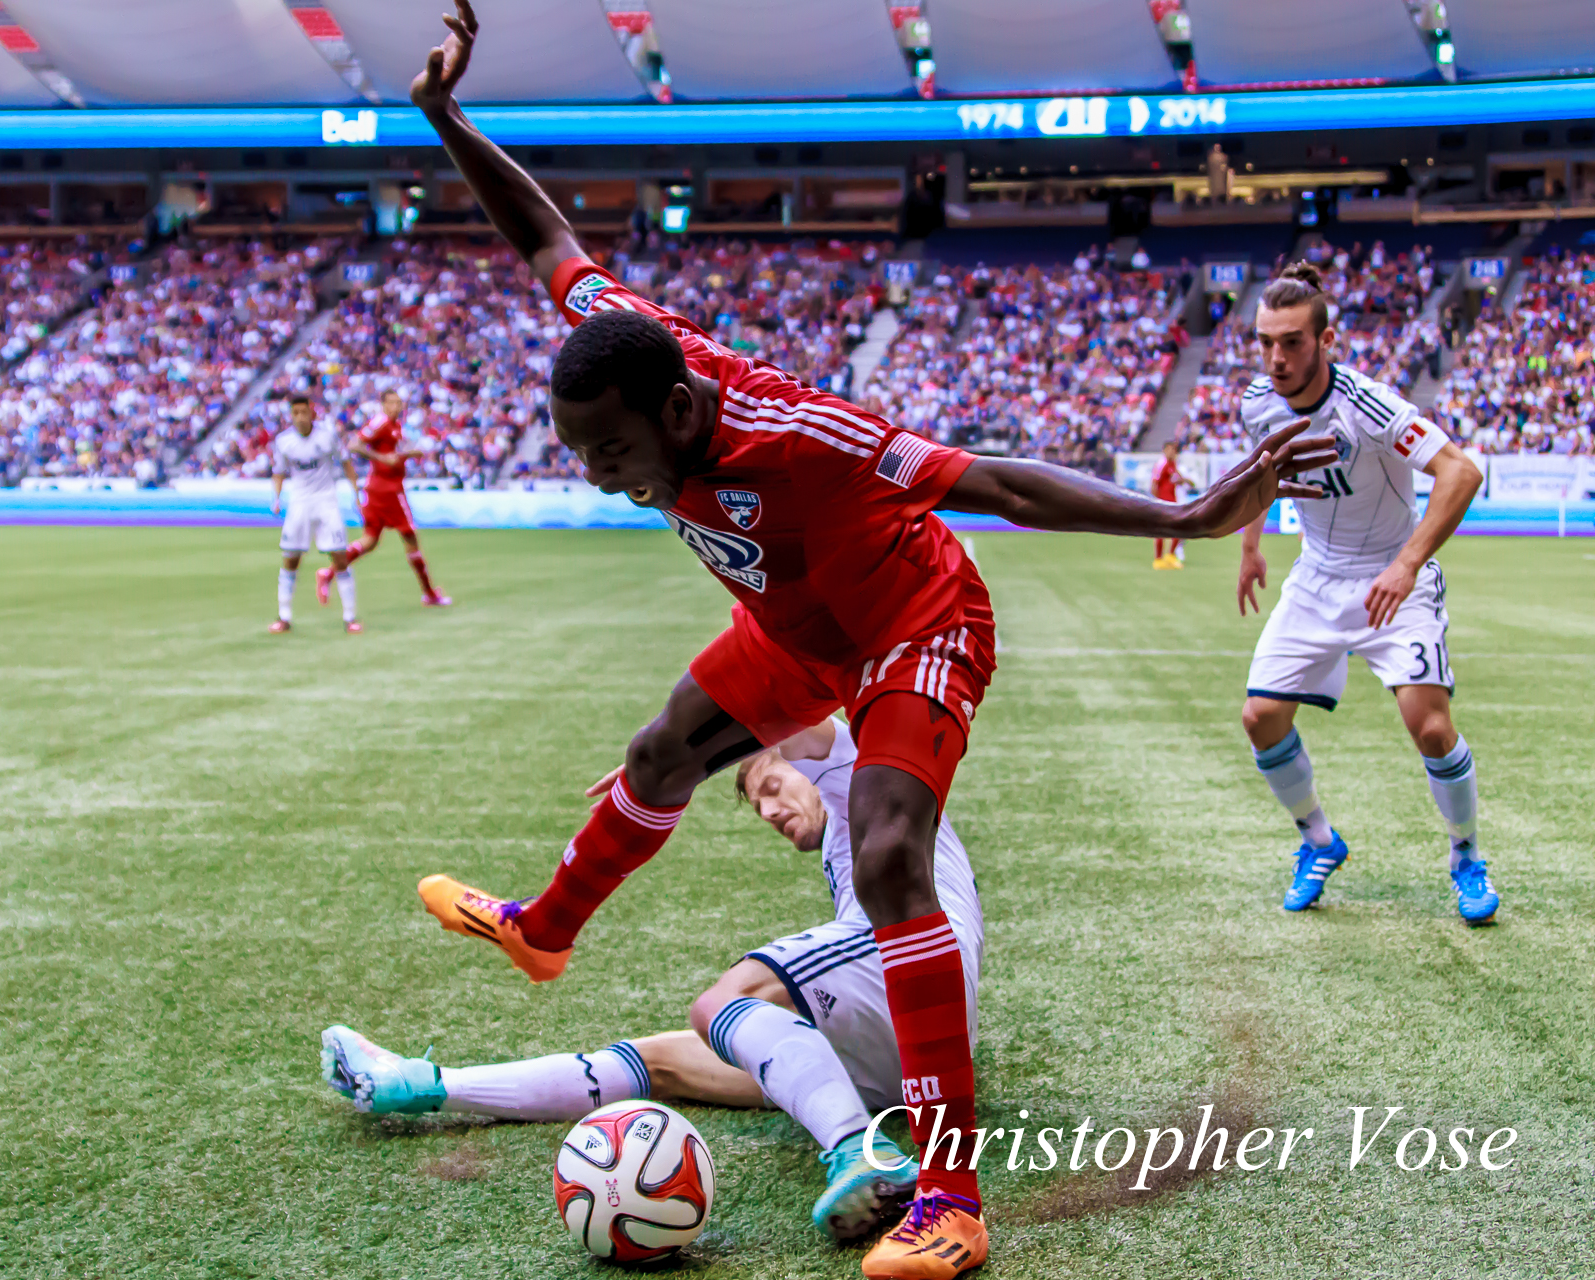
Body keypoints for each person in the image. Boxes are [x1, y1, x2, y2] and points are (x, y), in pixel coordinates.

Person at [404, 7, 1334, 1276]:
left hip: (916, 622)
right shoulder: (627, 350)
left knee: (891, 848)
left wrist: (1186, 509)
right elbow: (549, 240)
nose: (602, 474)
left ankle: (948, 1197)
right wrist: (446, 119)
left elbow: (996, 482)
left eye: (612, 451)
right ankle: (547, 928)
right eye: (580, 454)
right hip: (797, 624)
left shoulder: (803, 436)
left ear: (677, 412)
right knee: (659, 750)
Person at [326, 717, 981, 1242]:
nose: (772, 812)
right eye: (758, 808)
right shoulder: (857, 832)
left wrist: (675, 763)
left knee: (726, 1003)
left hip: (912, 953)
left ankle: (858, 1155)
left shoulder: (850, 760)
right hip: (902, 1051)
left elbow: (784, 717)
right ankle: (419, 1086)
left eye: (773, 788)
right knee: (657, 1061)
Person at [1236, 262, 1496, 924]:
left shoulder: (1370, 404)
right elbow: (1263, 473)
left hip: (1392, 576)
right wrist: (1249, 547)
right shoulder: (1256, 402)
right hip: (1316, 577)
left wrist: (1408, 564)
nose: (1276, 356)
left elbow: (1461, 472)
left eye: (1292, 341)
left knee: (1430, 728)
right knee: (1260, 718)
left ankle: (1466, 856)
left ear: (1327, 342)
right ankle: (1318, 841)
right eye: (1266, 341)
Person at [320, 389, 452, 608]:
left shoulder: (395, 427)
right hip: (389, 490)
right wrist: (381, 457)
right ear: (383, 404)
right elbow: (354, 444)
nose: (397, 407)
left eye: (399, 403)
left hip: (377, 488)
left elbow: (392, 454)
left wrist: (409, 454)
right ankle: (429, 594)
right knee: (410, 537)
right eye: (392, 403)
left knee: (370, 541)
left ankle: (328, 573)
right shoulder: (380, 422)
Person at [270, 395, 360, 634]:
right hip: (299, 502)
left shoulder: (327, 435)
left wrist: (356, 493)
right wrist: (276, 498)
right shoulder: (283, 441)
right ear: (291, 416)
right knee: (291, 558)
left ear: (312, 413)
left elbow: (346, 462)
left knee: (340, 557)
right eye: (295, 413)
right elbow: (278, 472)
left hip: (326, 501)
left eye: (303, 412)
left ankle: (350, 617)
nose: (300, 417)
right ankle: (284, 616)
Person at [1151, 441, 1197, 568]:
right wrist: (1157, 501)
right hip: (1163, 501)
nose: (1172, 452)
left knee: (1177, 528)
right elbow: (1154, 484)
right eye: (1170, 449)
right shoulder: (1162, 464)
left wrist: (1182, 479)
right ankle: (1158, 559)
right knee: (1162, 530)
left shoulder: (1172, 464)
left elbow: (1179, 478)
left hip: (1173, 500)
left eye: (1174, 450)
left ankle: (1170, 555)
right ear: (1164, 450)